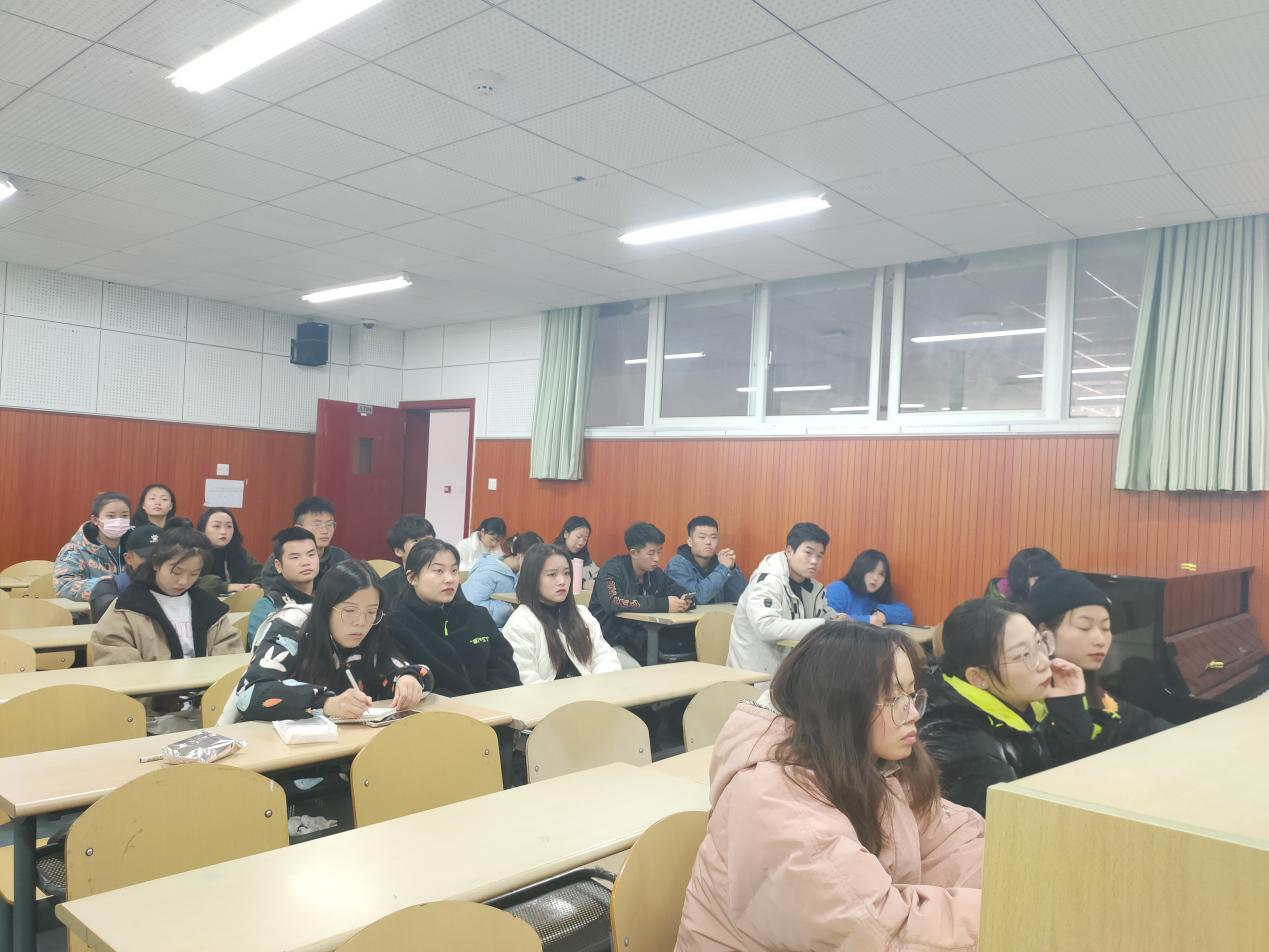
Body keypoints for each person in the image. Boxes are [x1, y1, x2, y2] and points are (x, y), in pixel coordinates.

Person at [677, 621, 984, 951]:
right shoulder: (778, 806)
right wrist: (998, 912)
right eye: (894, 698)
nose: (913, 713)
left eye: (911, 694)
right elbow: (878, 932)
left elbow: (950, 841)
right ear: (840, 704)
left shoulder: (873, 763)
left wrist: (1011, 886)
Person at [918, 598, 1093, 816]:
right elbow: (1016, 822)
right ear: (978, 677)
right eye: (1023, 655)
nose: (1044, 663)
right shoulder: (961, 745)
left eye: (1040, 643)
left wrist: (1070, 710)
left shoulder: (1024, 702)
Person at [226, 560, 432, 723]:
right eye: (349, 611)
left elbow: (405, 669)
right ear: (326, 607)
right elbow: (250, 693)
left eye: (371, 611)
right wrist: (325, 703)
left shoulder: (373, 629)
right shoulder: (291, 628)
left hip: (346, 746)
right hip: (283, 749)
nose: (361, 622)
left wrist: (408, 679)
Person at [1027, 570, 1171, 760]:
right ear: (1044, 633)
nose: (1100, 640)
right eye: (1084, 627)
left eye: (1106, 628)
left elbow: (1143, 725)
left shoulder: (1102, 697)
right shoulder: (1032, 702)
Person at [383, 540, 519, 696]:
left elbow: (506, 672)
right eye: (438, 571)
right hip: (438, 710)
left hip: (492, 706)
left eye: (454, 571)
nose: (450, 579)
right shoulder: (396, 625)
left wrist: (488, 701)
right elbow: (407, 681)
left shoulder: (478, 616)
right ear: (413, 578)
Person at [90, 528, 242, 665]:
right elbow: (113, 653)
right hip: (151, 686)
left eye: (194, 573)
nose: (183, 581)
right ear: (156, 564)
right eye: (176, 572)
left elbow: (229, 649)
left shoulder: (209, 607)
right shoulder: (127, 606)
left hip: (206, 685)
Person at [503, 543, 624, 683]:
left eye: (566, 573)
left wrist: (597, 688)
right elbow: (525, 679)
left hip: (590, 692)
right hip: (546, 696)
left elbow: (604, 657)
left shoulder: (581, 614)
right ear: (532, 578)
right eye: (552, 574)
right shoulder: (520, 623)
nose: (562, 581)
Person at [727, 522, 835, 675]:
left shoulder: (812, 588)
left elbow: (822, 615)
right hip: (754, 678)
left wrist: (836, 619)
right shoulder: (767, 582)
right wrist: (823, 625)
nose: (814, 561)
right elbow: (766, 627)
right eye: (808, 553)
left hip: (791, 674)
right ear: (789, 551)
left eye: (819, 556)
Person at [590, 522, 691, 662]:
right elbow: (614, 602)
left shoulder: (655, 573)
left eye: (659, 552)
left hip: (638, 638)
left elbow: (678, 590)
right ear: (634, 553)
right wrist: (664, 604)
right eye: (651, 553)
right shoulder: (611, 570)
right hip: (607, 640)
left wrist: (686, 599)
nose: (657, 558)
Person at [246, 527, 320, 648]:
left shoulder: (329, 597)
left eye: (311, 554)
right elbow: (264, 650)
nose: (306, 562)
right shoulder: (268, 606)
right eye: (295, 557)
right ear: (278, 566)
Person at [54, 491, 132, 601]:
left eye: (124, 516)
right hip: (89, 610)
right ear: (95, 520)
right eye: (110, 516)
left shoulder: (136, 548)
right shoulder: (74, 550)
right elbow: (64, 586)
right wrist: (111, 584)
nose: (118, 521)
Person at [258, 496, 351, 587]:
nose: (325, 531)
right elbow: (273, 592)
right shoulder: (281, 558)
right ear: (299, 528)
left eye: (329, 524)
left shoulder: (341, 558)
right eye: (317, 524)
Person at [461, 531, 542, 626]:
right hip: (479, 627)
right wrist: (511, 610)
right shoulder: (488, 572)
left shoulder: (520, 573)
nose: (537, 565)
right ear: (520, 555)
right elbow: (471, 607)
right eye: (535, 560)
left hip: (504, 626)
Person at [666, 515, 745, 605]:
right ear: (690, 542)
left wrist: (731, 568)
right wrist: (723, 568)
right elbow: (697, 598)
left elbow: (742, 598)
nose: (708, 542)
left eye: (713, 537)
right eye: (702, 537)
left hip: (716, 614)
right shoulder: (677, 565)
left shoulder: (720, 562)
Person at [90, 523, 161, 623]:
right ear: (129, 558)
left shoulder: (178, 586)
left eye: (160, 557)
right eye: (146, 557)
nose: (154, 563)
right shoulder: (109, 587)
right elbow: (108, 617)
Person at [825, 549, 915, 625]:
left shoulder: (876, 596)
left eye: (881, 574)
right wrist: (867, 620)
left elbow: (907, 614)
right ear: (860, 569)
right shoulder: (838, 589)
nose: (875, 578)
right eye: (871, 570)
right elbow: (827, 620)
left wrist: (883, 613)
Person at [195, 507, 263, 596]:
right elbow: (191, 581)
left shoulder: (238, 551)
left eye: (229, 526)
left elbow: (264, 574)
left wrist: (257, 584)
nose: (223, 532)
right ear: (203, 529)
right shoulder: (193, 553)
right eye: (216, 526)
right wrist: (225, 587)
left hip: (235, 602)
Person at [379, 514, 435, 607]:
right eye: (416, 541)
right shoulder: (387, 585)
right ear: (399, 551)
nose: (425, 545)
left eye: (429, 540)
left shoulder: (446, 578)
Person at [985, 546, 1060, 602]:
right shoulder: (996, 607)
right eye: (1039, 580)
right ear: (1020, 580)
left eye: (1051, 578)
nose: (1047, 584)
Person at [552, 515, 599, 590]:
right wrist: (582, 584)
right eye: (578, 537)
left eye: (585, 539)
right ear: (566, 534)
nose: (581, 542)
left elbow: (599, 576)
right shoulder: (552, 555)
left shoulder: (585, 558)